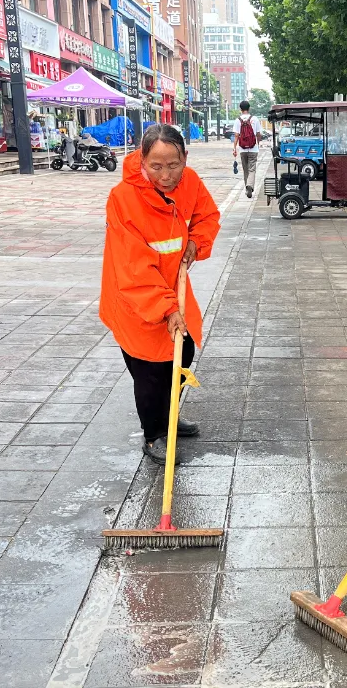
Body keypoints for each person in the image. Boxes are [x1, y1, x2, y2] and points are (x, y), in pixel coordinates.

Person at [99, 124, 221, 465]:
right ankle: (153, 435)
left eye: (174, 164)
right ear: (142, 160)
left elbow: (207, 216)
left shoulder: (191, 182)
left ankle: (169, 416)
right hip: (134, 299)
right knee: (150, 372)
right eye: (156, 166)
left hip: (173, 289)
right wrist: (167, 310)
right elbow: (134, 268)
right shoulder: (123, 199)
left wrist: (197, 242)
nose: (166, 175)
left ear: (185, 158)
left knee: (182, 354)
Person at [232, 100, 262, 198]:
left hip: (242, 149)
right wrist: (258, 143)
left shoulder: (237, 120)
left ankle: (247, 188)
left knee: (246, 170)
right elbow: (258, 134)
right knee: (252, 169)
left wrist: (234, 149)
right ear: (249, 108)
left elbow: (236, 136)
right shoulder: (255, 119)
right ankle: (250, 185)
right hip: (253, 149)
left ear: (240, 109)